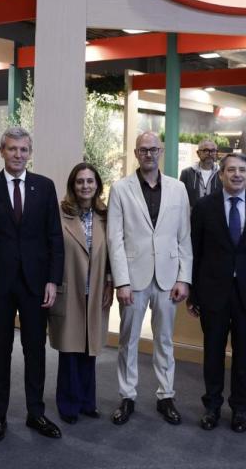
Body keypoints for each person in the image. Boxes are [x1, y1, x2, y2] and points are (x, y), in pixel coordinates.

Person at [0, 126, 64, 442]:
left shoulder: (44, 187)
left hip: (36, 284)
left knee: (34, 351)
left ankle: (35, 413)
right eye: (12, 149)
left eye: (24, 150)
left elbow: (55, 236)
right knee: (0, 351)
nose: (18, 155)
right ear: (2, 151)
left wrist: (54, 279)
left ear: (30, 152)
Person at [107, 131, 192, 426]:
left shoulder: (178, 189)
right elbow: (115, 239)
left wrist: (184, 278)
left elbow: (184, 237)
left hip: (168, 278)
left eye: (153, 149)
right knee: (128, 340)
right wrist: (121, 281)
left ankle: (165, 396)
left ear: (161, 151)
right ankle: (127, 396)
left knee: (165, 340)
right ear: (135, 153)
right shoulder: (120, 189)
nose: (148, 154)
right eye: (143, 149)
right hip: (133, 278)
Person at [189, 153, 246, 433]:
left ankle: (239, 409)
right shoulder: (203, 206)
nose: (236, 175)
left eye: (242, 170)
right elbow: (195, 252)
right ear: (221, 174)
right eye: (231, 170)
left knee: (243, 355)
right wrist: (194, 293)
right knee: (212, 353)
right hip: (213, 292)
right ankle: (212, 407)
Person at [48, 163, 113, 425]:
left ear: (97, 184)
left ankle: (88, 401)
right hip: (69, 288)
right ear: (72, 186)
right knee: (70, 349)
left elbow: (112, 254)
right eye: (80, 182)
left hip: (96, 289)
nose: (85, 186)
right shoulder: (60, 214)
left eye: (90, 181)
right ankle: (68, 403)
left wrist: (110, 281)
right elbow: (51, 250)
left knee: (90, 349)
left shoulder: (106, 215)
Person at [179, 138, 223, 207]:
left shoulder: (222, 174)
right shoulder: (187, 173)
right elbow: (181, 197)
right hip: (193, 216)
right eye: (206, 150)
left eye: (213, 151)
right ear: (198, 153)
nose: (210, 154)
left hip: (215, 216)